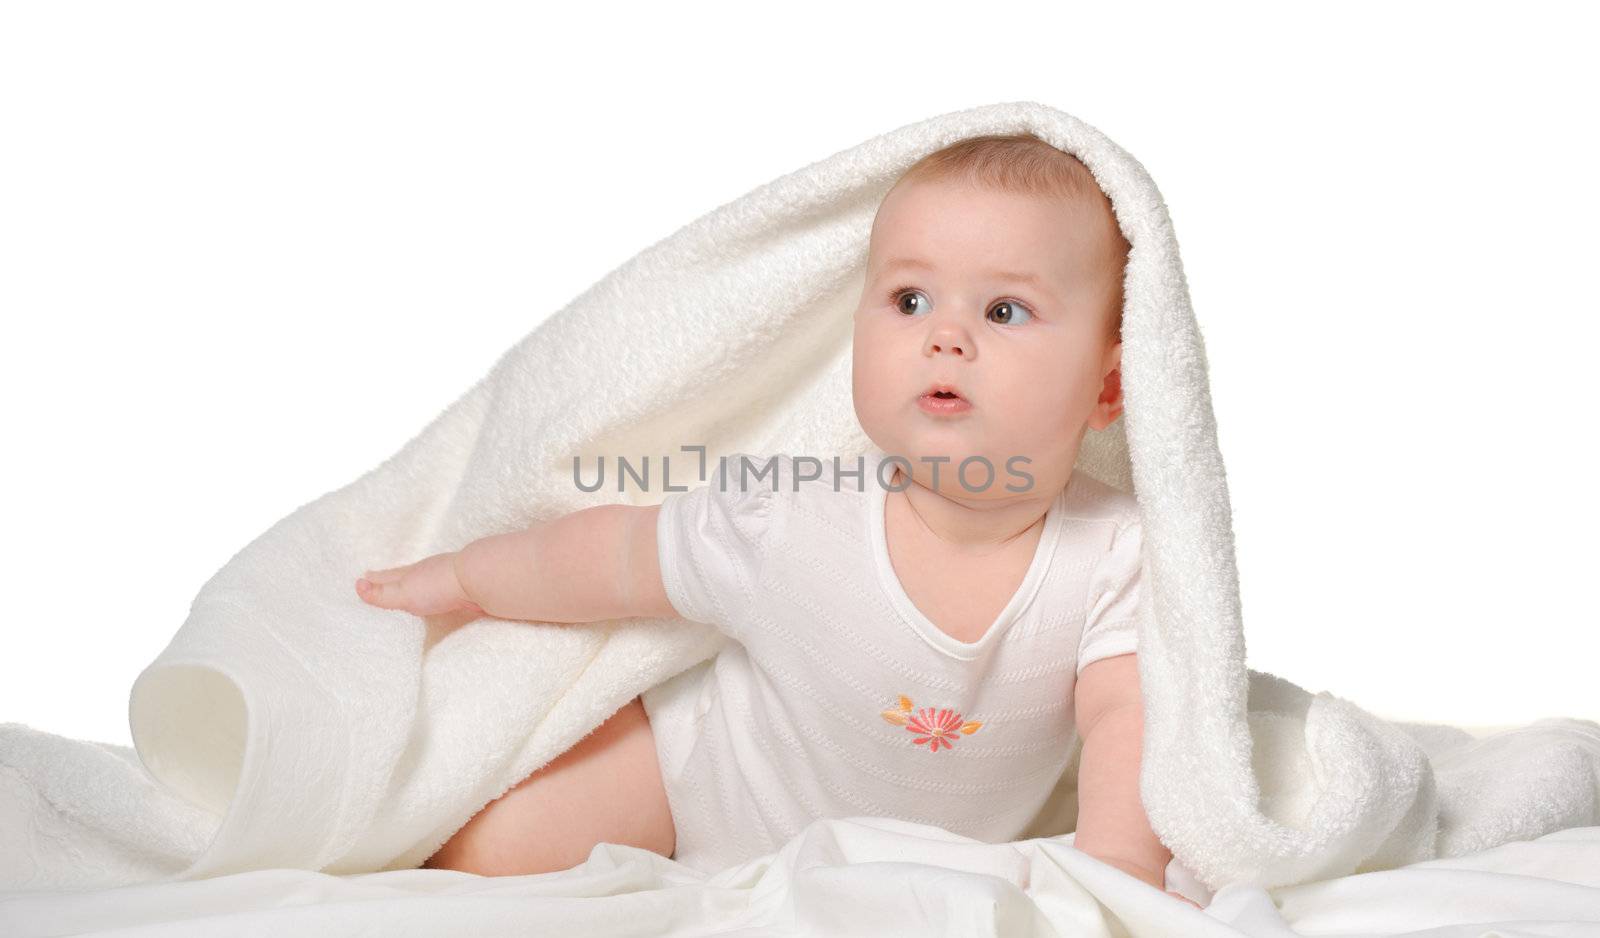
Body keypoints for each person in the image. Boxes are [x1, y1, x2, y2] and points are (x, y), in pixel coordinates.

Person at [355, 132, 1205, 910]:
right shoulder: (792, 514)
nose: (946, 336)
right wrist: (466, 575)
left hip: (909, 865)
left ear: (1107, 390)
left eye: (1004, 310)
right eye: (910, 300)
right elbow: (615, 556)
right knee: (490, 858)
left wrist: (1120, 868)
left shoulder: (1114, 552)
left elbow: (1125, 716)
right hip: (695, 791)